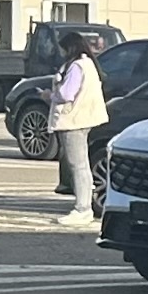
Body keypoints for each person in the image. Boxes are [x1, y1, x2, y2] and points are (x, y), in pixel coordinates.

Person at [49, 32, 107, 227]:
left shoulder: (76, 67)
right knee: (81, 165)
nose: (61, 52)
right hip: (83, 119)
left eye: (63, 49)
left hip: (73, 120)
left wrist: (50, 94)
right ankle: (84, 206)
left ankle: (82, 208)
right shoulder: (88, 63)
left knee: (77, 166)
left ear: (70, 48)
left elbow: (66, 93)